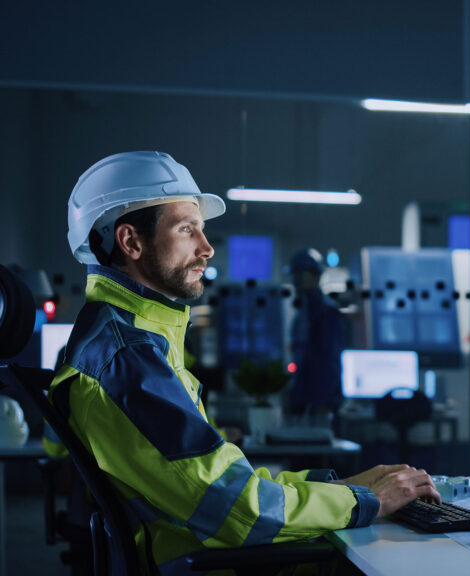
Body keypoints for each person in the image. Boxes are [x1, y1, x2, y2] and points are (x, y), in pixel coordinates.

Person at [55, 151, 439, 574]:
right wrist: (368, 501)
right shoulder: (127, 360)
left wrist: (342, 486)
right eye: (186, 229)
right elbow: (238, 509)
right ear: (131, 242)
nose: (207, 248)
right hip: (211, 565)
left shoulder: (133, 342)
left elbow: (224, 484)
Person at [286, 249, 346, 420]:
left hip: (321, 400)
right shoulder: (302, 312)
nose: (297, 279)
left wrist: (326, 401)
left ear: (316, 276)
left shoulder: (327, 312)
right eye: (295, 274)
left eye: (302, 273)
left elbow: (331, 359)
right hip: (302, 396)